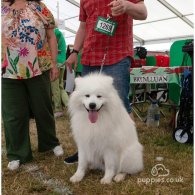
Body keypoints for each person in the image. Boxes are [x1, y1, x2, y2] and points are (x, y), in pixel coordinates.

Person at [64, 0, 147, 164]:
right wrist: (74, 51)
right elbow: (83, 26)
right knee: (88, 107)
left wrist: (127, 6)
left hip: (117, 56)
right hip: (89, 57)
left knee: (120, 104)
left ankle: (126, 152)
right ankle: (88, 152)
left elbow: (143, 13)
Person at [1, 0, 64, 171]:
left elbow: (51, 36)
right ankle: (17, 154)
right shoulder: (1, 7)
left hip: (39, 66)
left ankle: (50, 144)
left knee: (43, 108)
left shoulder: (39, 7)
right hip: (8, 70)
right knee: (13, 114)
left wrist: (53, 63)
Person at [51, 27, 69, 118]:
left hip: (56, 62)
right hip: (62, 62)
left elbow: (54, 47)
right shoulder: (60, 33)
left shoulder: (54, 32)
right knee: (61, 87)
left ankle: (58, 109)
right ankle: (69, 106)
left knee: (55, 88)